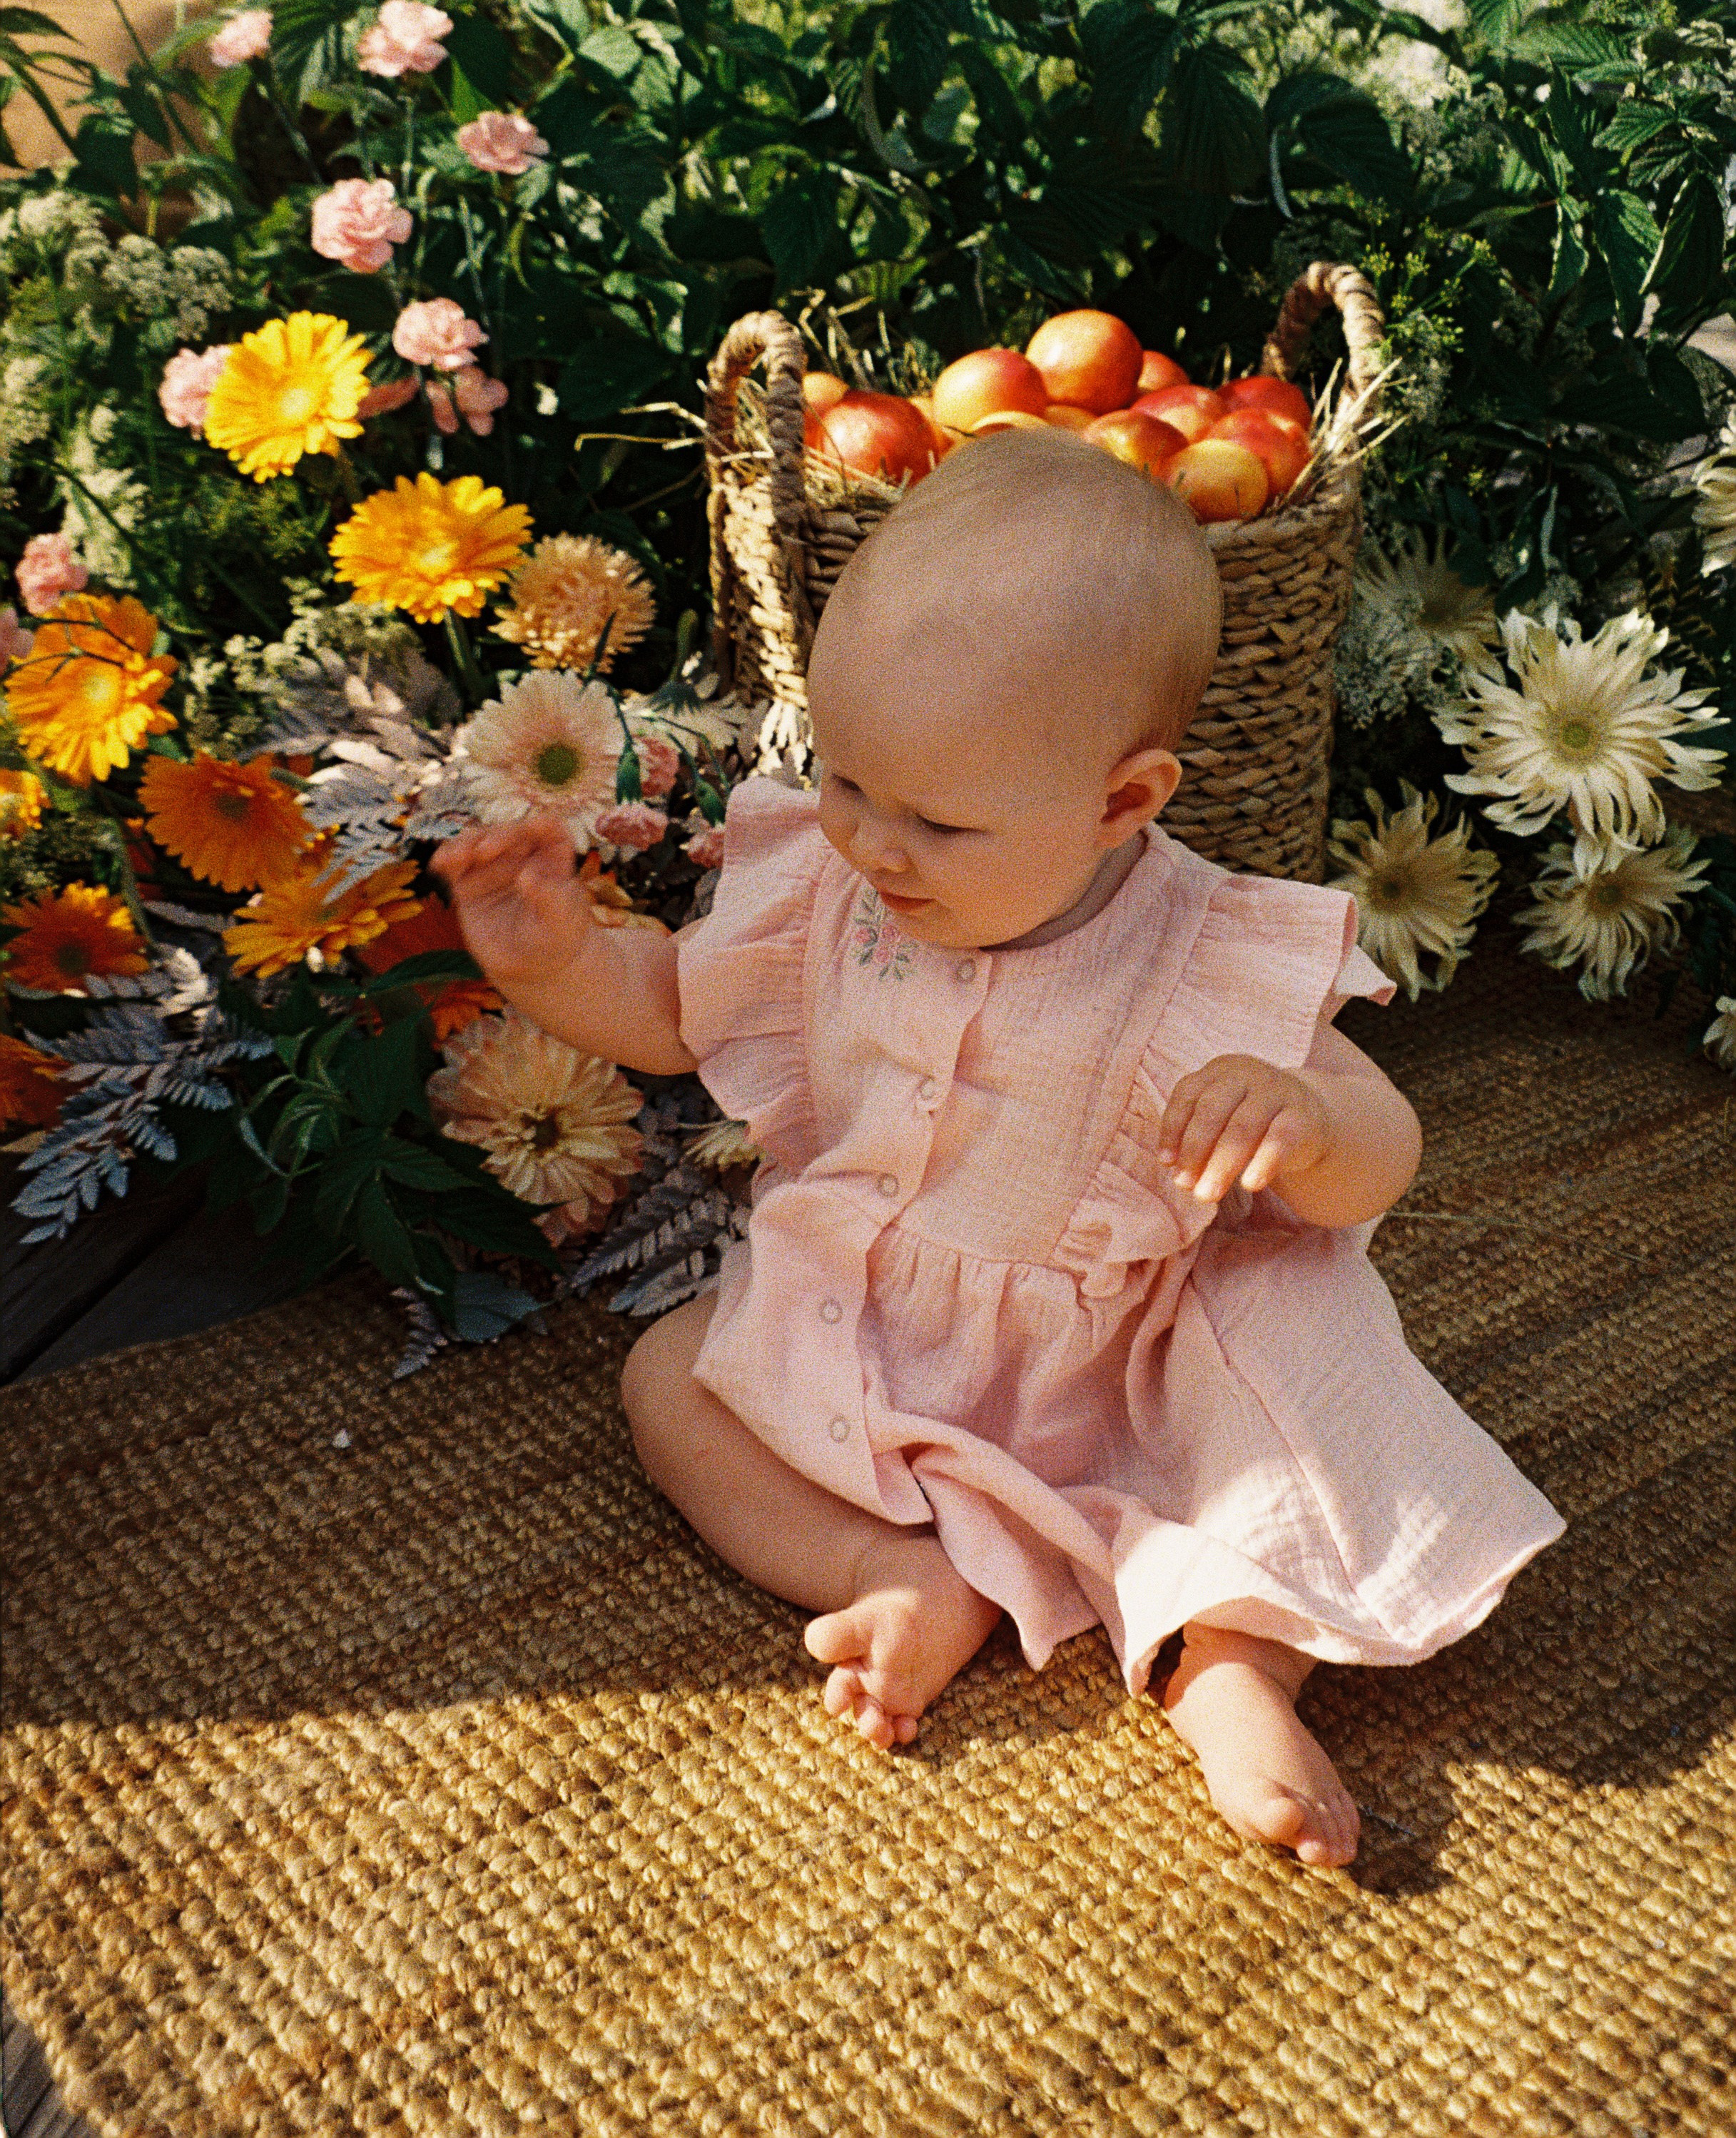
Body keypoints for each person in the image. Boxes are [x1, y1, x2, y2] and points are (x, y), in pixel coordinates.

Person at [434, 427, 1563, 1869]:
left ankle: (1227, 1668)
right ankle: (898, 1569)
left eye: (937, 820)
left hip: (1131, 1362)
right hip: (875, 1325)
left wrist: (1305, 1120)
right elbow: (666, 1012)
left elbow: (1380, 1153)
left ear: (1121, 802)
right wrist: (552, 959)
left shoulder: (1206, 954)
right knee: (670, 1381)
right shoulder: (831, 891)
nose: (872, 845)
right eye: (847, 781)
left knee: (1277, 1473)